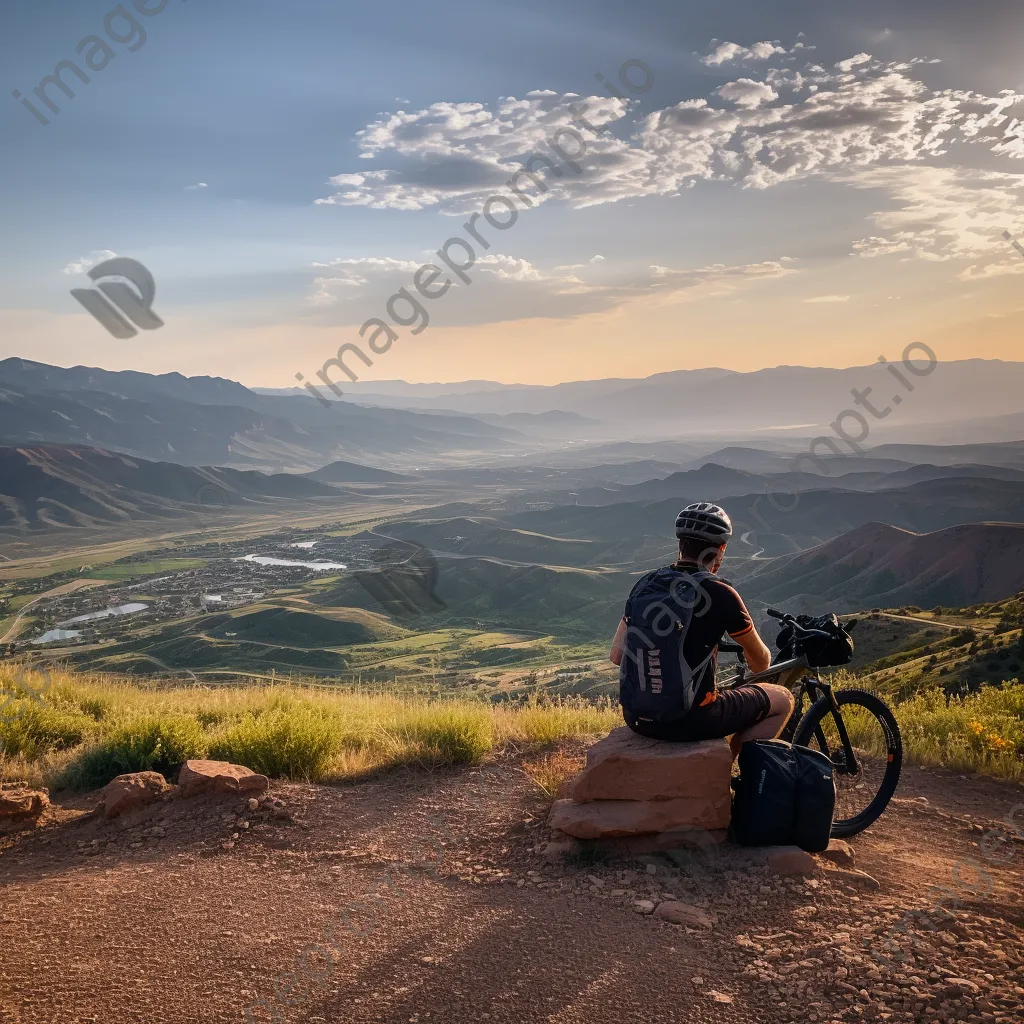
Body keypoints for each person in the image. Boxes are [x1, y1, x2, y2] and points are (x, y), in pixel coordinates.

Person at [609, 502, 794, 758]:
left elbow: (616, 656)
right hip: (691, 720)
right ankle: (728, 775)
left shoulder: (647, 584)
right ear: (721, 549)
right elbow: (761, 664)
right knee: (783, 698)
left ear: (680, 544)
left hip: (636, 718)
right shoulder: (721, 593)